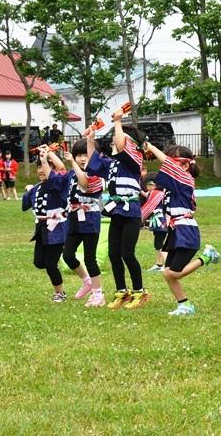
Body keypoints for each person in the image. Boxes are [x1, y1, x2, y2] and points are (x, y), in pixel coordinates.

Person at [86, 108, 150, 310]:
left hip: (130, 210)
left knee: (127, 253)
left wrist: (118, 121)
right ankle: (122, 291)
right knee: (114, 254)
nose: (114, 139)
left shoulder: (134, 158)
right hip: (116, 210)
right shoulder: (112, 163)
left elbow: (122, 143)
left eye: (118, 136)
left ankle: (140, 291)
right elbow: (93, 162)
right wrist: (90, 139)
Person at [144, 142, 215, 316]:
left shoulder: (185, 179)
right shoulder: (172, 184)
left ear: (185, 165)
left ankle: (206, 258)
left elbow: (168, 165)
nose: (167, 166)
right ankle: (184, 304)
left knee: (173, 273)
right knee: (168, 273)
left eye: (173, 162)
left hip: (186, 231)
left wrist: (151, 147)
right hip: (176, 230)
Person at [22, 145, 91, 302]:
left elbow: (60, 167)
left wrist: (49, 154)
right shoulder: (37, 188)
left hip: (57, 230)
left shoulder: (58, 184)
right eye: (39, 167)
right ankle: (85, 279)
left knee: (51, 263)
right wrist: (28, 190)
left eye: (44, 166)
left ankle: (60, 293)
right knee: (39, 262)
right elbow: (26, 205)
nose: (41, 170)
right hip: (42, 230)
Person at [49, 140, 106, 307]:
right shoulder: (73, 173)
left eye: (85, 155)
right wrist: (49, 153)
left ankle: (98, 294)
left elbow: (85, 183)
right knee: (67, 255)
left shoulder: (97, 174)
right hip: (74, 218)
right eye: (79, 155)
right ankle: (87, 281)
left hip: (90, 219)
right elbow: (60, 169)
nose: (82, 159)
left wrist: (72, 162)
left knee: (90, 258)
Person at [140, 172, 168, 272]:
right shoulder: (163, 192)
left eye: (147, 185)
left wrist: (139, 218)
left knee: (159, 244)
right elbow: (147, 195)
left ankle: (167, 264)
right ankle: (159, 264)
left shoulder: (155, 193)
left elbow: (148, 207)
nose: (146, 187)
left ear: (152, 184)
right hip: (165, 220)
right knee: (160, 242)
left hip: (160, 221)